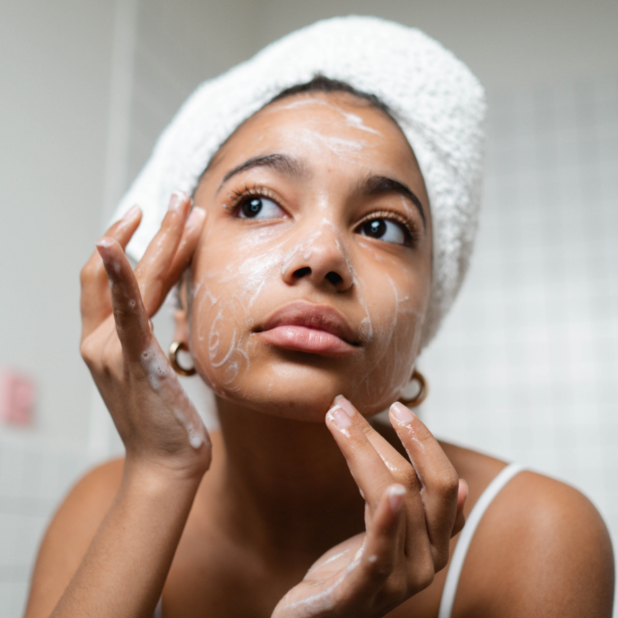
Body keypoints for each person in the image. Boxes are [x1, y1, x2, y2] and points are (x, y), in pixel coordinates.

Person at [24, 16, 614, 618]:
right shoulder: (100, 509)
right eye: (257, 204)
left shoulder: (535, 538)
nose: (324, 254)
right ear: (178, 294)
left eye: (382, 226)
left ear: (424, 320)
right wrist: (159, 473)